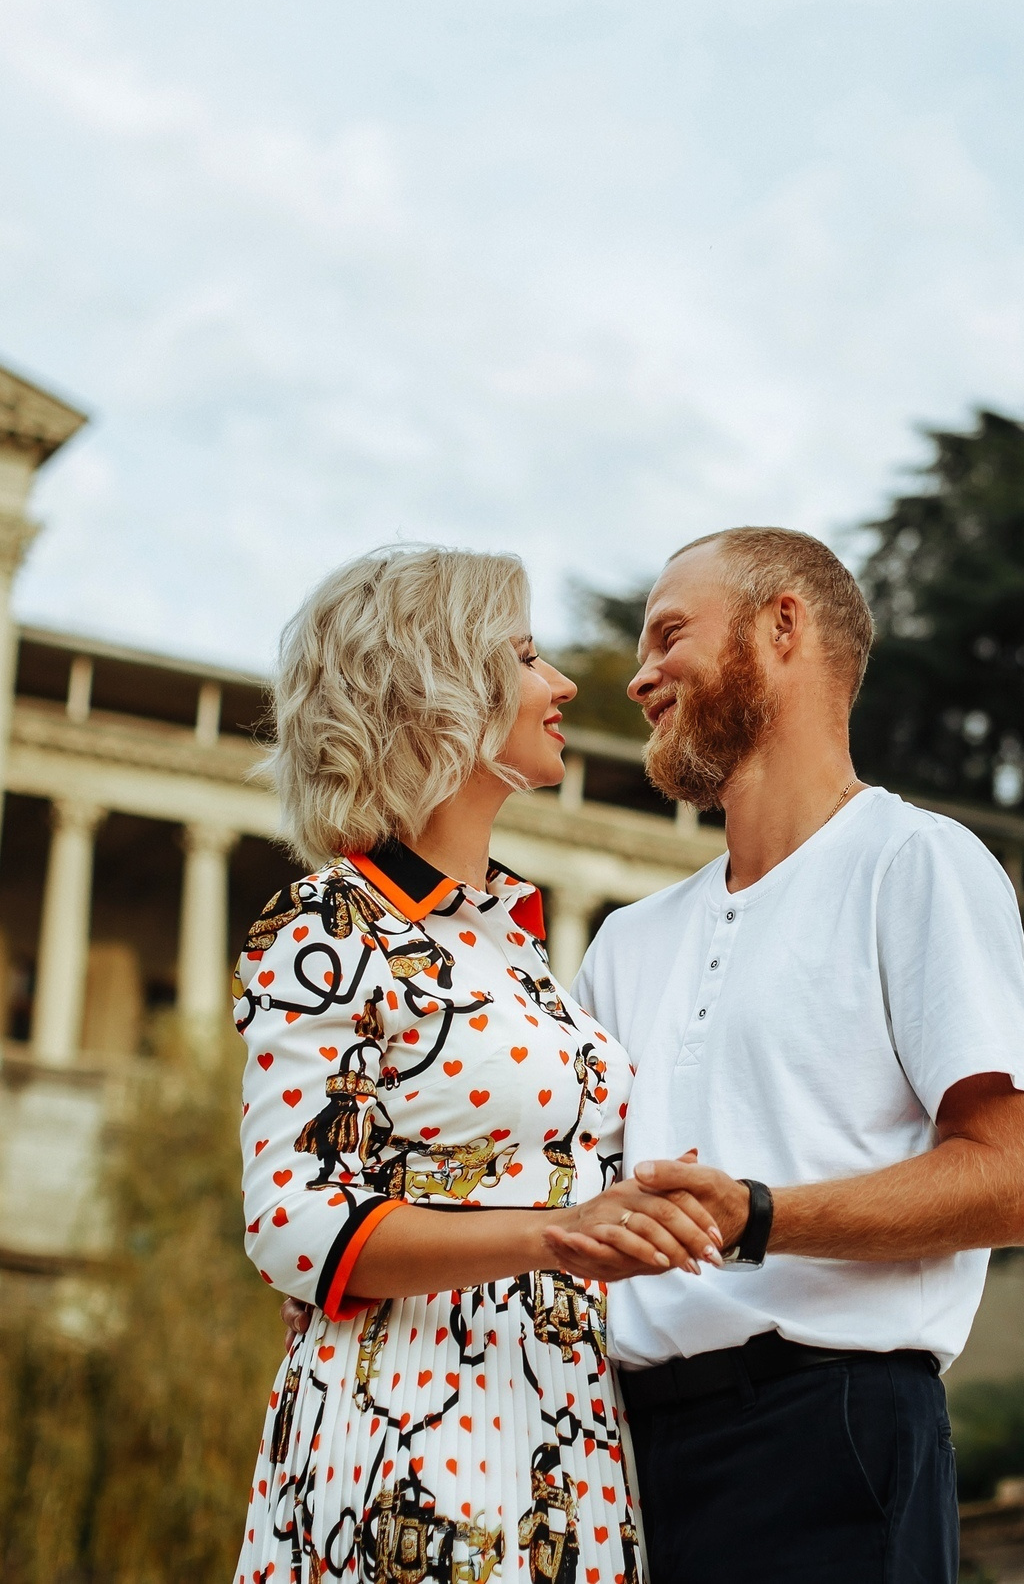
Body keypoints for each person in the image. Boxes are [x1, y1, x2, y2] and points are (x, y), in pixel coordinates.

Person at [559, 528, 1024, 1584]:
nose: (640, 675)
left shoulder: (917, 865)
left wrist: (758, 1217)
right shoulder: (622, 942)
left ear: (783, 625)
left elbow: (1012, 1181)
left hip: (831, 1435)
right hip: (613, 1455)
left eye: (669, 633)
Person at [231, 546, 722, 1584]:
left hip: (562, 1421)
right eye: (526, 656)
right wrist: (556, 1233)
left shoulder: (514, 944)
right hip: (407, 1427)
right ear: (436, 688)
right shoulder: (328, 922)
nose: (561, 684)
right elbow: (292, 1223)